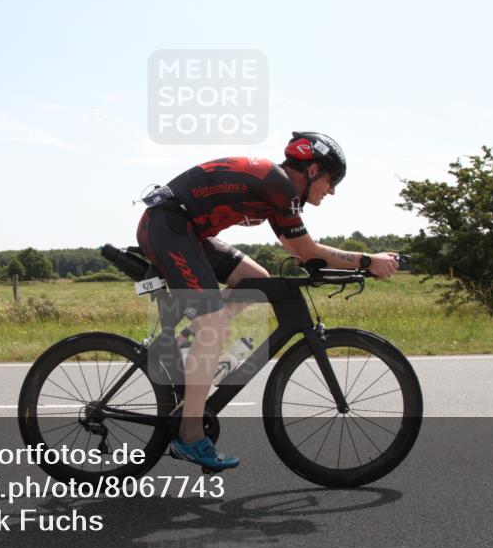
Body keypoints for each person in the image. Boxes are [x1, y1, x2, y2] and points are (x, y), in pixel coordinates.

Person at [136, 132, 400, 470]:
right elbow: (306, 250)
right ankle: (189, 435)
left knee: (257, 282)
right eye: (332, 181)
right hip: (169, 227)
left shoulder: (279, 189)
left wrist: (357, 266)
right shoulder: (280, 186)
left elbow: (300, 253)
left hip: (184, 229)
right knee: (214, 325)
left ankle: (190, 350)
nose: (332, 191)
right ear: (314, 169)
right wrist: (366, 260)